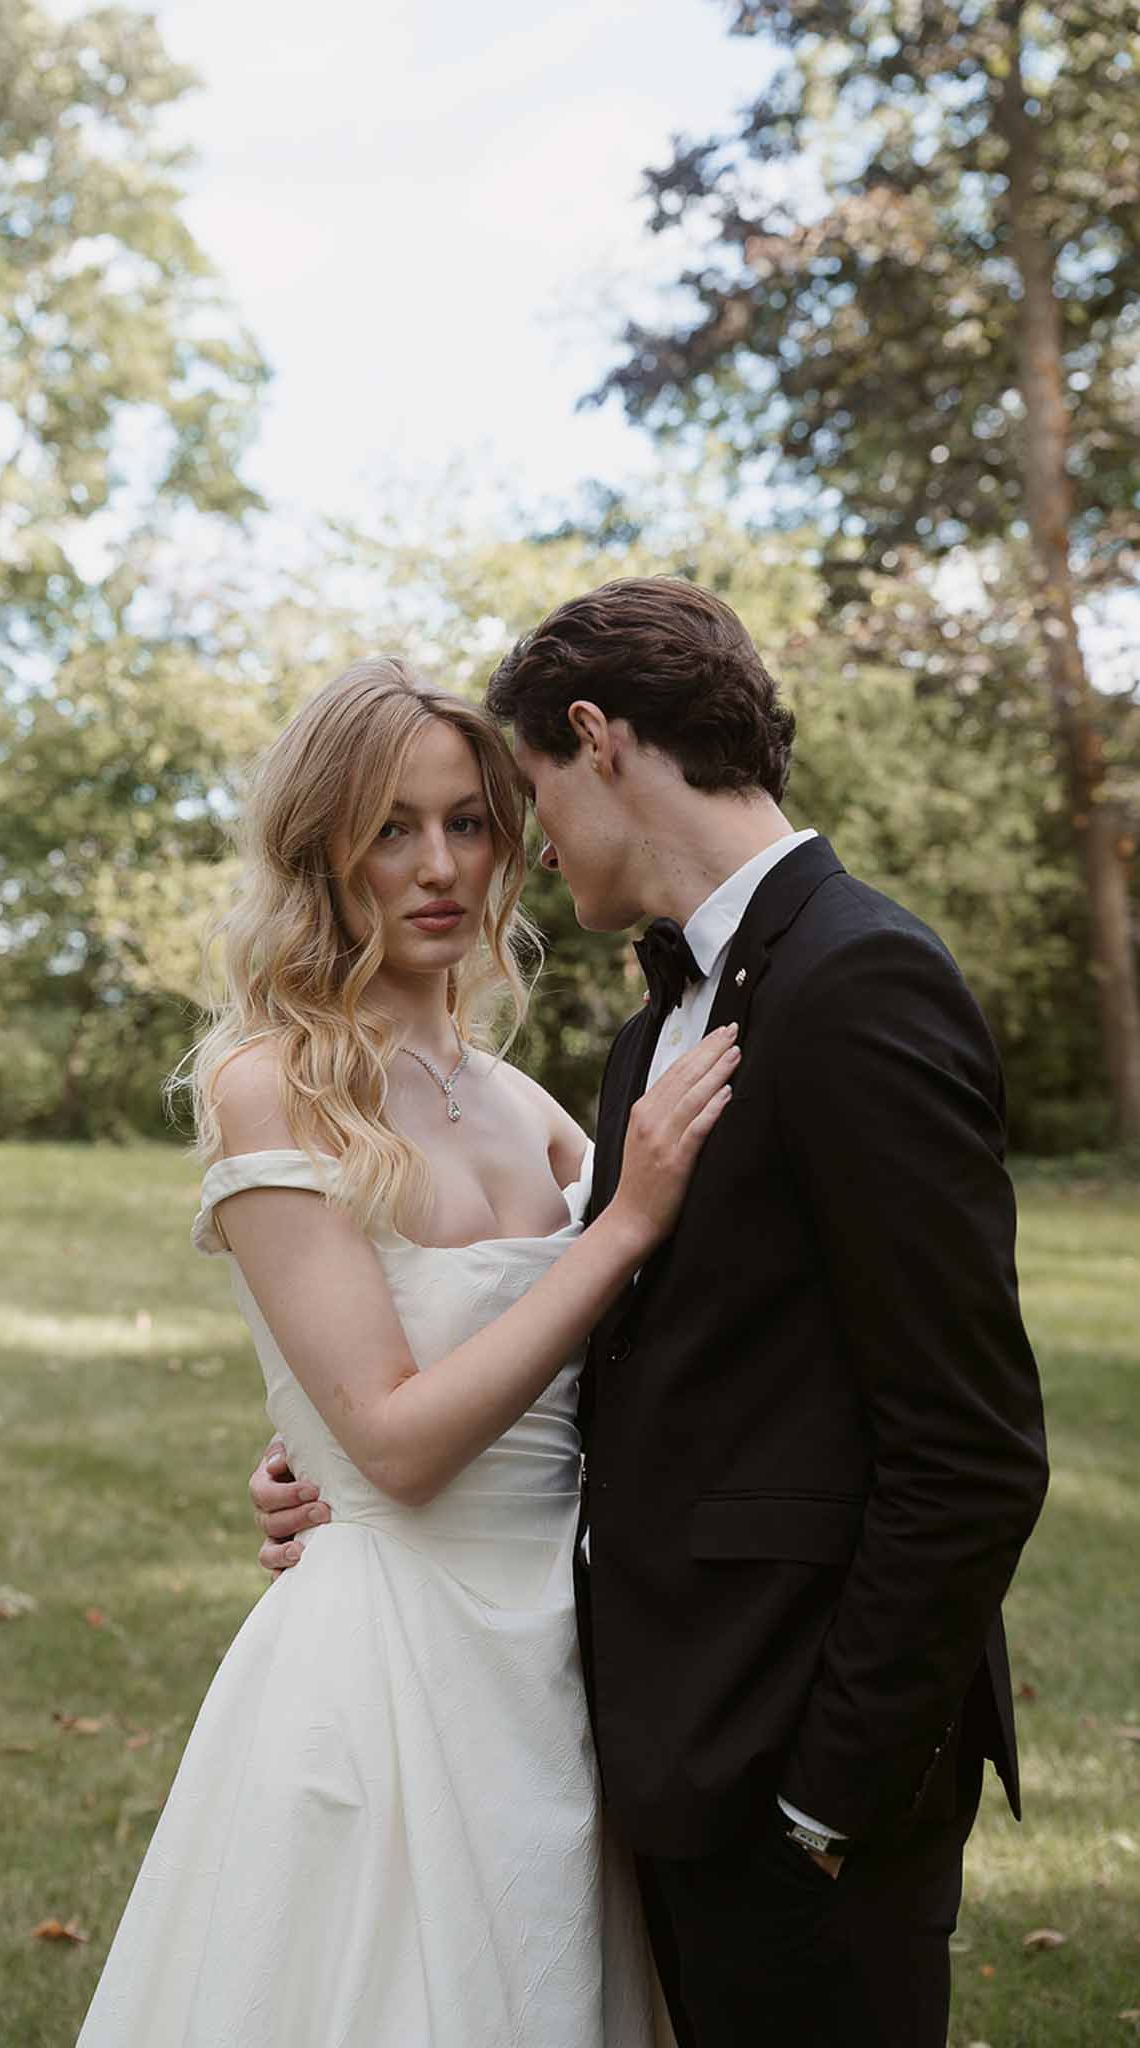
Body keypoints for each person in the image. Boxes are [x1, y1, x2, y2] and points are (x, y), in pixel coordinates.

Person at [254, 579, 1050, 2048]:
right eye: (401, 827)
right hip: (648, 1752)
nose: (514, 845)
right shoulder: (646, 1039)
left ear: (594, 741)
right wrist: (330, 1465)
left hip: (802, 1775)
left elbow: (971, 1450)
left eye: (514, 803)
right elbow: (635, 1350)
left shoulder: (859, 976)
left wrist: (826, 1798)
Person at [75, 657, 736, 2048]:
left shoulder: (532, 1109)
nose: (434, 866)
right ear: (320, 848)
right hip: (387, 1666)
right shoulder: (271, 1082)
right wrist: (620, 1228)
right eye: (388, 828)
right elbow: (393, 1443)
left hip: (562, 1656)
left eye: (467, 824)